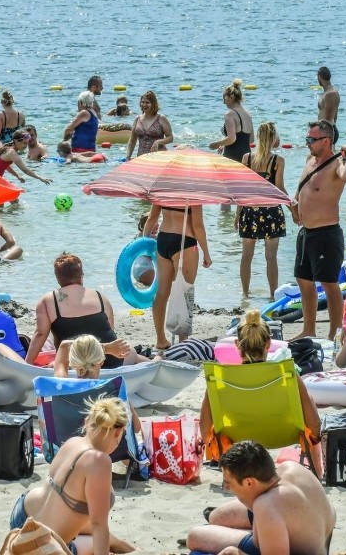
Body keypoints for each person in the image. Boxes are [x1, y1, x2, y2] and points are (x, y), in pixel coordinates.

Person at [199, 310, 323, 474]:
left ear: (237, 344)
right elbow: (314, 424)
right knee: (309, 402)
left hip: (238, 438)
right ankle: (318, 472)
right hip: (283, 435)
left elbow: (204, 427)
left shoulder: (219, 379)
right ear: (268, 344)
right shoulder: (287, 374)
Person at [8, 396, 136, 554]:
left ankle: (128, 548)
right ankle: (129, 549)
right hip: (43, 544)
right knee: (95, 542)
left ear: (87, 421)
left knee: (101, 535)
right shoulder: (99, 461)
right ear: (117, 432)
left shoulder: (72, 442)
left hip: (22, 515)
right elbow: (98, 525)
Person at [186, 441, 334, 555]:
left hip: (295, 550)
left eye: (228, 483)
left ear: (249, 482)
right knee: (216, 516)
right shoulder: (291, 468)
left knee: (195, 536)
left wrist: (238, 553)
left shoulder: (266, 505)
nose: (226, 488)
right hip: (316, 538)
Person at [292, 120, 346, 340]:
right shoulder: (309, 159)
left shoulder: (336, 164)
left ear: (326, 140)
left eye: (312, 139)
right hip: (306, 232)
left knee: (330, 284)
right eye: (307, 138)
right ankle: (309, 329)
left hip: (326, 233)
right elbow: (303, 189)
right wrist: (295, 205)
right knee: (304, 280)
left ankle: (334, 333)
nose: (308, 143)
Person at [26, 253, 127, 368]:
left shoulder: (48, 300)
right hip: (109, 360)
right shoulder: (100, 297)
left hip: (72, 364)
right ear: (81, 276)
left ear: (57, 278)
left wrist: (27, 364)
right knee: (133, 354)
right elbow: (110, 330)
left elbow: (40, 334)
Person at [142, 202, 211, 349]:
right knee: (184, 291)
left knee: (161, 292)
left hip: (163, 239)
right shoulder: (193, 192)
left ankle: (160, 339)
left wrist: (142, 243)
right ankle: (183, 341)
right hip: (185, 241)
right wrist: (206, 252)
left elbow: (152, 218)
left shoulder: (163, 188)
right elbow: (198, 225)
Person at [236, 122, 290, 298]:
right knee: (271, 257)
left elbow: (242, 189)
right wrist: (293, 208)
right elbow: (280, 188)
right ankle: (273, 295)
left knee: (246, 256)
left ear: (258, 138)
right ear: (273, 138)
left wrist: (238, 214)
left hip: (250, 211)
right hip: (272, 212)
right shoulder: (278, 160)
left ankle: (245, 294)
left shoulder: (247, 158)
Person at [209, 79, 254, 163]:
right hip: (247, 156)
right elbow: (251, 139)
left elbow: (231, 139)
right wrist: (225, 143)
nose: (223, 102)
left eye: (224, 98)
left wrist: (216, 144)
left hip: (233, 156)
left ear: (231, 97)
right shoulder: (248, 114)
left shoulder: (230, 114)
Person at [126, 91, 173, 159]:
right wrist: (128, 157)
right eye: (142, 102)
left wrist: (158, 142)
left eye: (147, 102)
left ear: (153, 104)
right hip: (141, 157)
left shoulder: (161, 118)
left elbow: (170, 138)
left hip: (159, 157)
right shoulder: (137, 119)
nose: (144, 104)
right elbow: (132, 140)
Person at [316, 66, 340, 144]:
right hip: (327, 131)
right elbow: (335, 115)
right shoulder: (328, 92)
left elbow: (328, 118)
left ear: (319, 77)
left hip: (327, 132)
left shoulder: (330, 93)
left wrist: (319, 134)